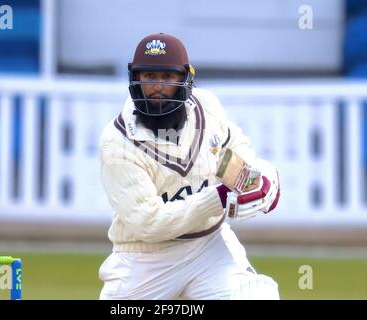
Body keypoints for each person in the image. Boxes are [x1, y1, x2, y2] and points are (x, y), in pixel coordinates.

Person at [98, 33, 281, 300]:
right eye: (149, 77)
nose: (158, 86)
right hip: (144, 258)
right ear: (135, 80)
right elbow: (150, 223)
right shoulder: (117, 142)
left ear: (184, 79)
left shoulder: (205, 107)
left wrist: (256, 180)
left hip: (208, 246)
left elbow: (232, 154)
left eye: (166, 77)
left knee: (255, 296)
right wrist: (219, 197)